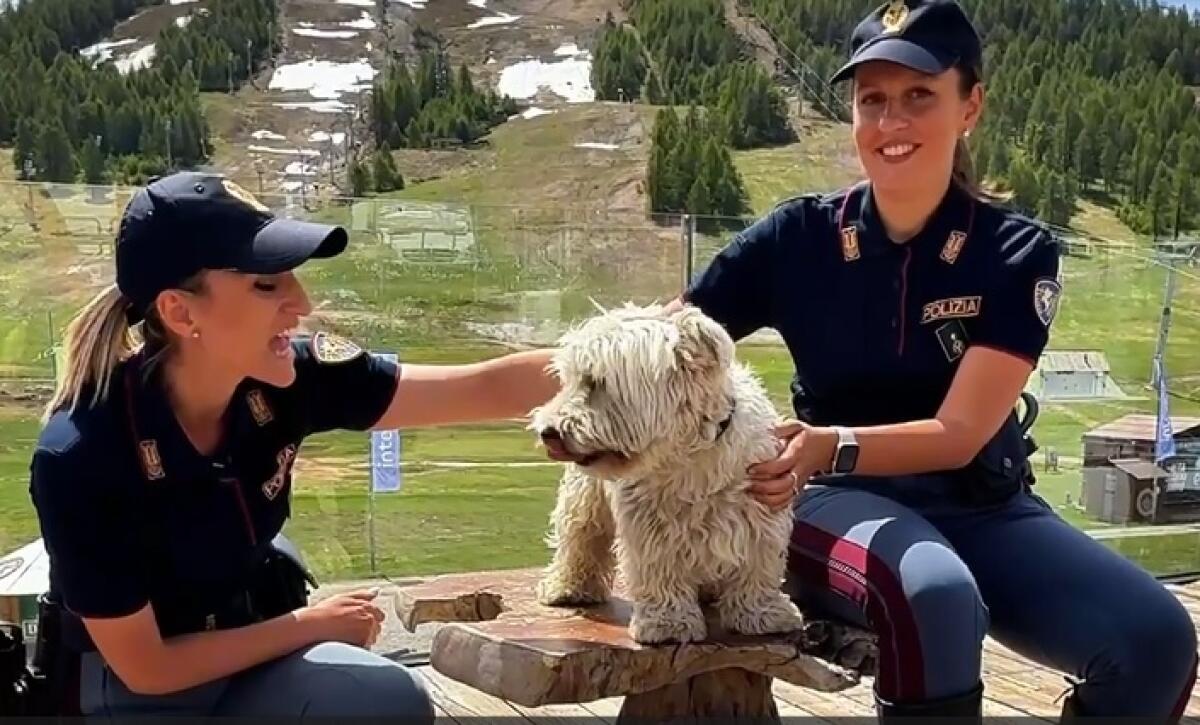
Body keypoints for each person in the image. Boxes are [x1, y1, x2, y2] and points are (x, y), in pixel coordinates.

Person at [671, 0, 1198, 720]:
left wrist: (836, 442)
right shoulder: (795, 238)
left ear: (970, 105)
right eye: (873, 100)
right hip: (830, 499)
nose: (892, 121)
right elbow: (648, 349)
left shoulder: (1013, 252)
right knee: (934, 594)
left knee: (1156, 637)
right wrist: (468, 393)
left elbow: (960, 432)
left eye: (920, 95)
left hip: (981, 504)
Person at [27, 171, 560, 718]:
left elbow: (483, 387)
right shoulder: (82, 454)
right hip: (137, 693)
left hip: (249, 644)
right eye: (266, 284)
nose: (301, 303)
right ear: (180, 312)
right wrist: (308, 625)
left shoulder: (290, 375)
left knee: (385, 701)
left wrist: (629, 353)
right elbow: (148, 666)